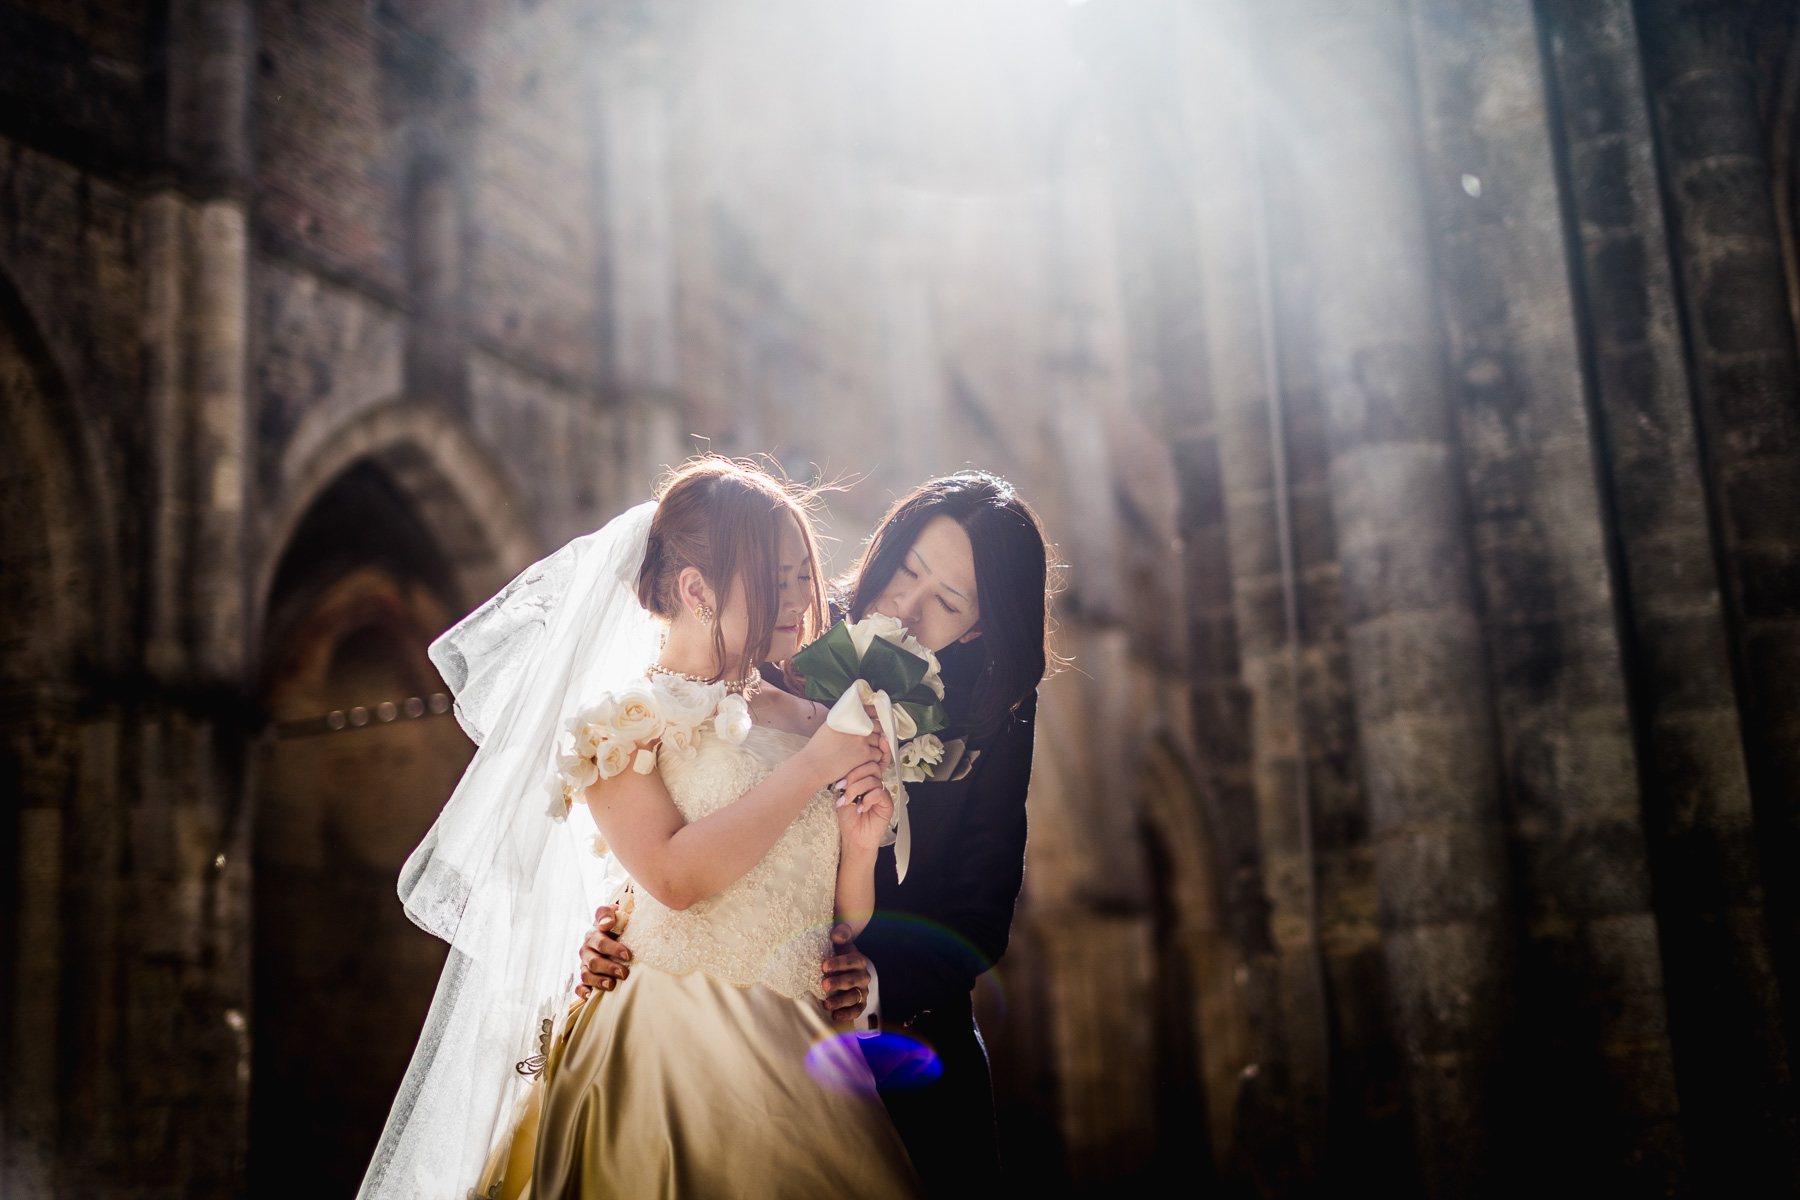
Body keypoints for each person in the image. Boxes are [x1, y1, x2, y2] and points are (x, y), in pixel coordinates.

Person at [359, 458, 920, 1200]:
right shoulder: (619, 725)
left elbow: (839, 920)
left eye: (801, 576)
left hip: (811, 1041)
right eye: (777, 578)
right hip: (669, 1033)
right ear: (696, 590)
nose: (800, 598)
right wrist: (815, 768)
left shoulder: (818, 721)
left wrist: (860, 843)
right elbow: (673, 878)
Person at [578, 472, 1053, 1199]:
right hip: (717, 1040)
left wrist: (870, 979)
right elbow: (684, 785)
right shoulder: (783, 624)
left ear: (979, 627)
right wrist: (623, 921)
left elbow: (980, 914)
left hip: (909, 1048)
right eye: (907, 571)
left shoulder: (997, 711)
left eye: (949, 601)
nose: (908, 605)